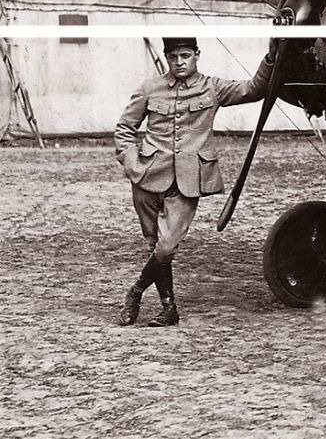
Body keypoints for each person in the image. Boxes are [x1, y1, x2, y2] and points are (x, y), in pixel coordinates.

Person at [113, 38, 274, 327]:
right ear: (166, 57)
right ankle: (168, 309)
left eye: (185, 55)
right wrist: (131, 163)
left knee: (166, 247)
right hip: (147, 177)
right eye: (173, 56)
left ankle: (136, 291)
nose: (179, 62)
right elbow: (125, 128)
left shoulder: (212, 87)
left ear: (197, 55)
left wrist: (273, 55)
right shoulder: (149, 88)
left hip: (188, 180)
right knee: (154, 246)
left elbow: (254, 88)